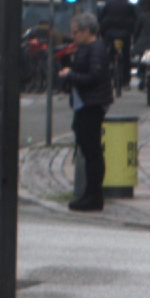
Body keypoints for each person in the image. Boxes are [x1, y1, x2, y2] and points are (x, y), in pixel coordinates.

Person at [58, 13, 113, 212]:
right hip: (84, 103)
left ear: (87, 31)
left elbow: (93, 77)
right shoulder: (85, 48)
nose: (73, 36)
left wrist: (70, 75)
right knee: (88, 149)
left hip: (92, 103)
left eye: (76, 32)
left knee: (92, 152)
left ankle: (94, 195)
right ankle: (90, 193)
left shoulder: (95, 49)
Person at [97, 0, 136, 93]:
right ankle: (126, 81)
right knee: (126, 56)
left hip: (109, 35)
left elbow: (101, 18)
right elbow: (134, 20)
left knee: (108, 55)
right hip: (124, 35)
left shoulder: (109, 4)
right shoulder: (129, 5)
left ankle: (108, 74)